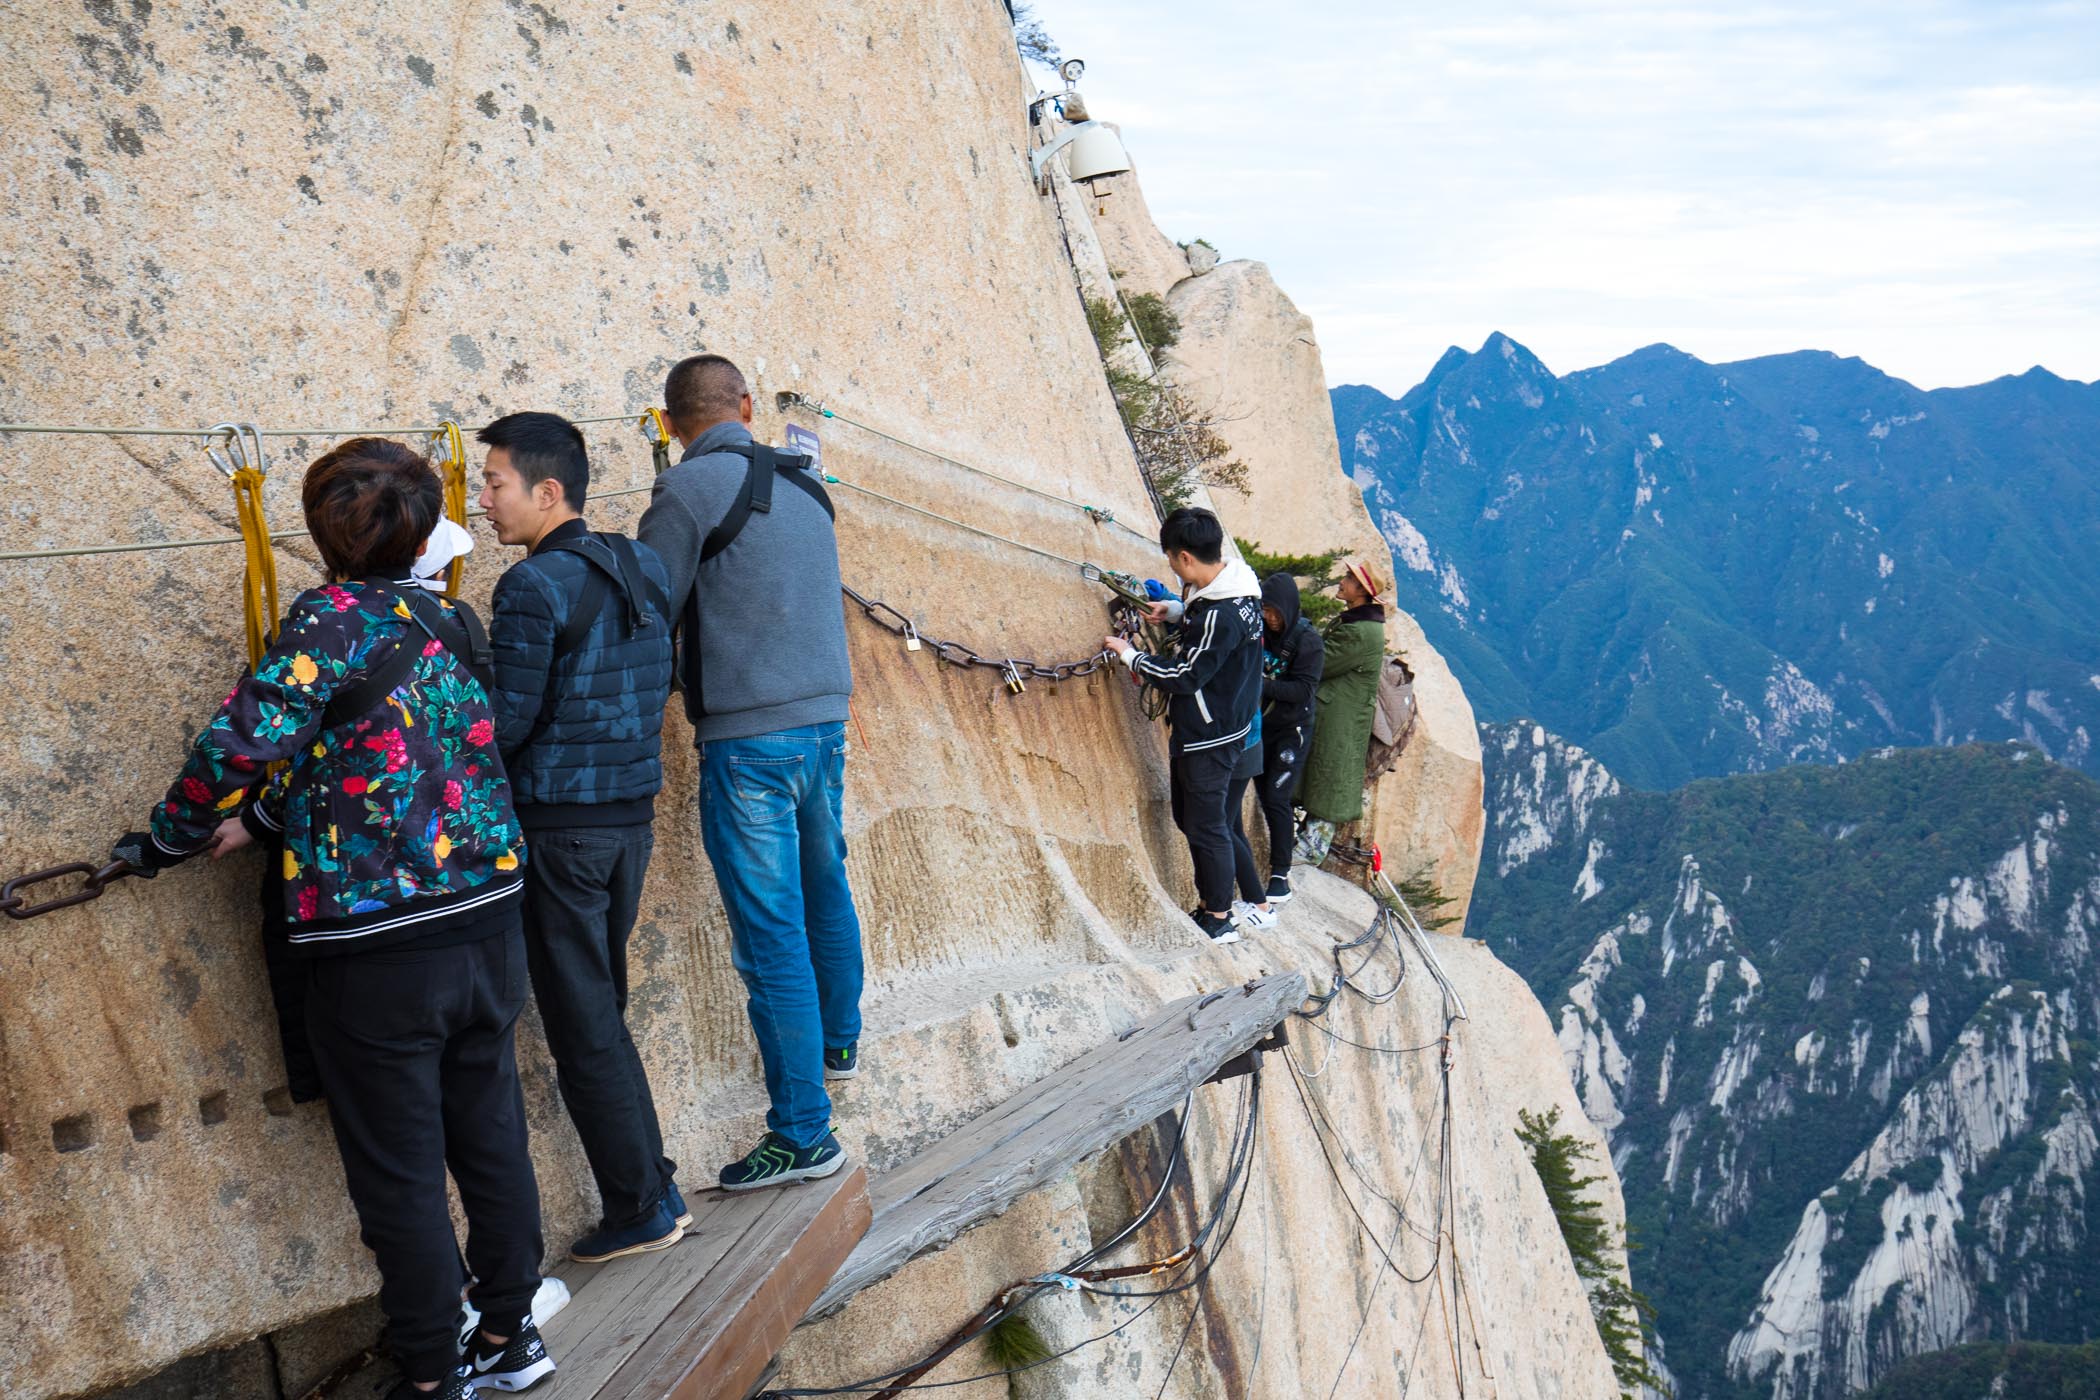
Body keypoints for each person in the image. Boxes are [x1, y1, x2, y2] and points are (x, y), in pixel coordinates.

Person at [110, 439, 553, 1400]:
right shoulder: (450, 618)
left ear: (320, 531)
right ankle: (513, 1334)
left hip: (377, 944)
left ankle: (434, 1370)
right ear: (425, 525)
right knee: (489, 1136)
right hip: (485, 920)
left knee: (398, 1172)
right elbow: (394, 756)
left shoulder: (326, 621)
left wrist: (165, 840)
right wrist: (268, 824)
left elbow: (240, 746)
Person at [636, 353, 865, 1191]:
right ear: (747, 405)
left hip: (748, 743)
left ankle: (804, 1134)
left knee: (770, 934)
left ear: (668, 425)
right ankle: (839, 1039)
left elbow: (647, 608)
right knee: (824, 885)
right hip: (823, 722)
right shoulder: (809, 488)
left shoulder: (685, 493)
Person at [478, 411, 685, 1263]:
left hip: (560, 832)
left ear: (547, 490)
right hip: (626, 822)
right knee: (600, 1009)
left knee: (582, 1022)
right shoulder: (642, 562)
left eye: (494, 484)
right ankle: (656, 1181)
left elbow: (504, 724)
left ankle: (639, 1207)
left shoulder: (531, 588)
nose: (484, 502)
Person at [1103, 507, 1264, 944]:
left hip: (1209, 736)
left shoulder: (1219, 614)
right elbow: (1214, 637)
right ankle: (1215, 906)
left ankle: (1219, 916)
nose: (1172, 567)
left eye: (1172, 559)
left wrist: (1130, 655)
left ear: (1187, 558)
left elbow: (1187, 675)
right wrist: (1176, 611)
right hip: (1226, 725)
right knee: (1196, 820)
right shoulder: (1240, 589)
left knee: (1207, 826)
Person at [1296, 559, 1388, 867]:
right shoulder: (1359, 623)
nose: (1342, 581)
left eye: (1349, 578)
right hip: (1339, 711)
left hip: (1341, 716)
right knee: (1326, 772)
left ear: (1362, 591)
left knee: (1330, 777)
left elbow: (1323, 663)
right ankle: (1309, 841)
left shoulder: (1360, 632)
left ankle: (1313, 847)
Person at [1254, 570, 1325, 903]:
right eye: (1265, 610)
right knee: (1255, 787)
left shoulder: (1307, 641)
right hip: (1261, 725)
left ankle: (1280, 873)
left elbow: (1303, 690)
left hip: (1292, 730)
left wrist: (1261, 686)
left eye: (1274, 612)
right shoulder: (1260, 629)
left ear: (1287, 608)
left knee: (1276, 797)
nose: (1269, 618)